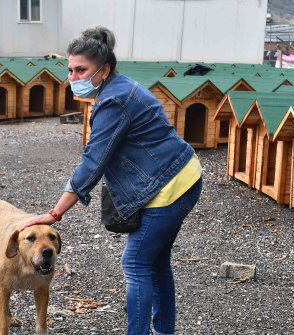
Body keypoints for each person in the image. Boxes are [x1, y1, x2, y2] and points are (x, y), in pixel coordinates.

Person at [20, 26, 203, 335]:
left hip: (170, 186)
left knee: (135, 263)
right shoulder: (118, 89)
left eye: (81, 70)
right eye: (70, 70)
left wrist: (55, 213)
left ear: (103, 70)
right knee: (154, 262)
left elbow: (94, 161)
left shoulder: (114, 101)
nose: (73, 78)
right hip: (181, 175)